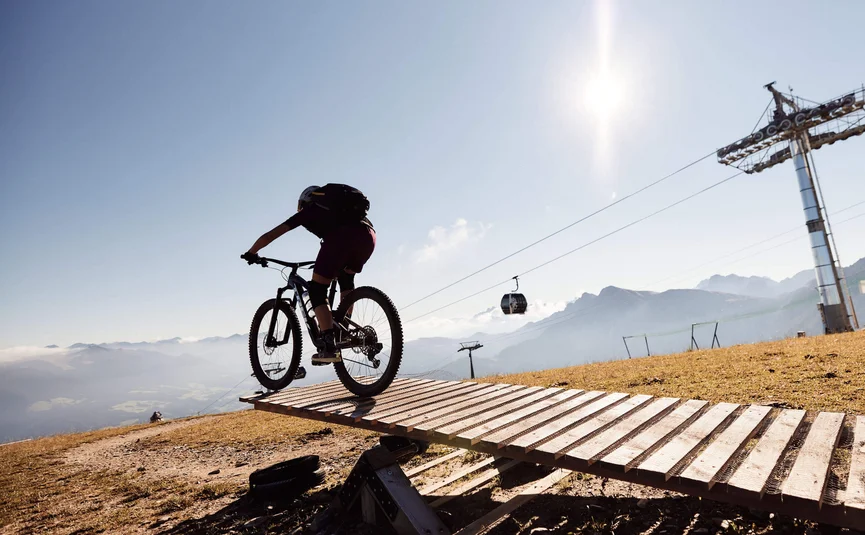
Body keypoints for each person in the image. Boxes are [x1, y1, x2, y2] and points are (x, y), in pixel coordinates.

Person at [242, 184, 376, 365]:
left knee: (317, 291)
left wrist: (252, 252)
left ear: (305, 201)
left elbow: (270, 235)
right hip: (368, 236)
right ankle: (344, 330)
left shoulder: (310, 210)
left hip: (341, 238)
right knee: (346, 279)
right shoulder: (341, 212)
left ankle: (329, 345)